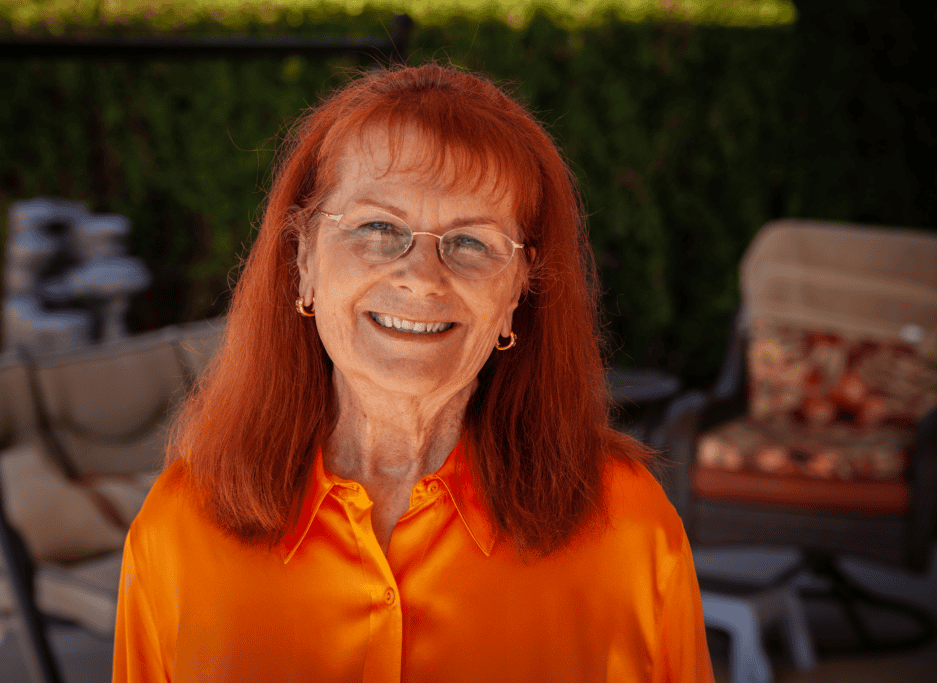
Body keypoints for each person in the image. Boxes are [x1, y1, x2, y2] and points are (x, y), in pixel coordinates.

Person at [113, 63, 714, 682]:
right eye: (378, 228)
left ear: (518, 289)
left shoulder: (626, 526)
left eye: (471, 242)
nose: (422, 278)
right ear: (303, 259)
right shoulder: (180, 527)